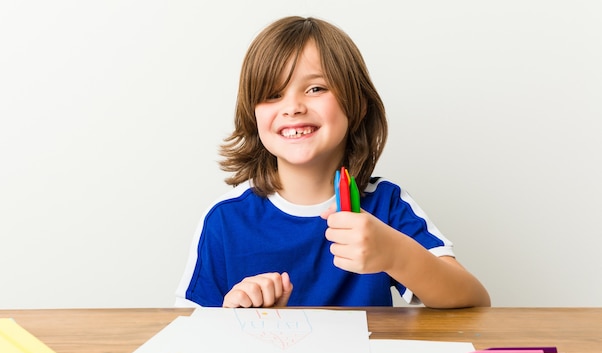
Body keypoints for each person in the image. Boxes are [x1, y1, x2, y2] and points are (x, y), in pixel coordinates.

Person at [175, 16, 490, 309]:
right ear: (252, 114)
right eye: (273, 94)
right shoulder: (224, 220)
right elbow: (187, 339)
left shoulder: (387, 206)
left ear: (358, 104)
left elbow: (474, 301)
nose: (293, 107)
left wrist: (395, 254)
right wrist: (234, 316)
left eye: (316, 89)